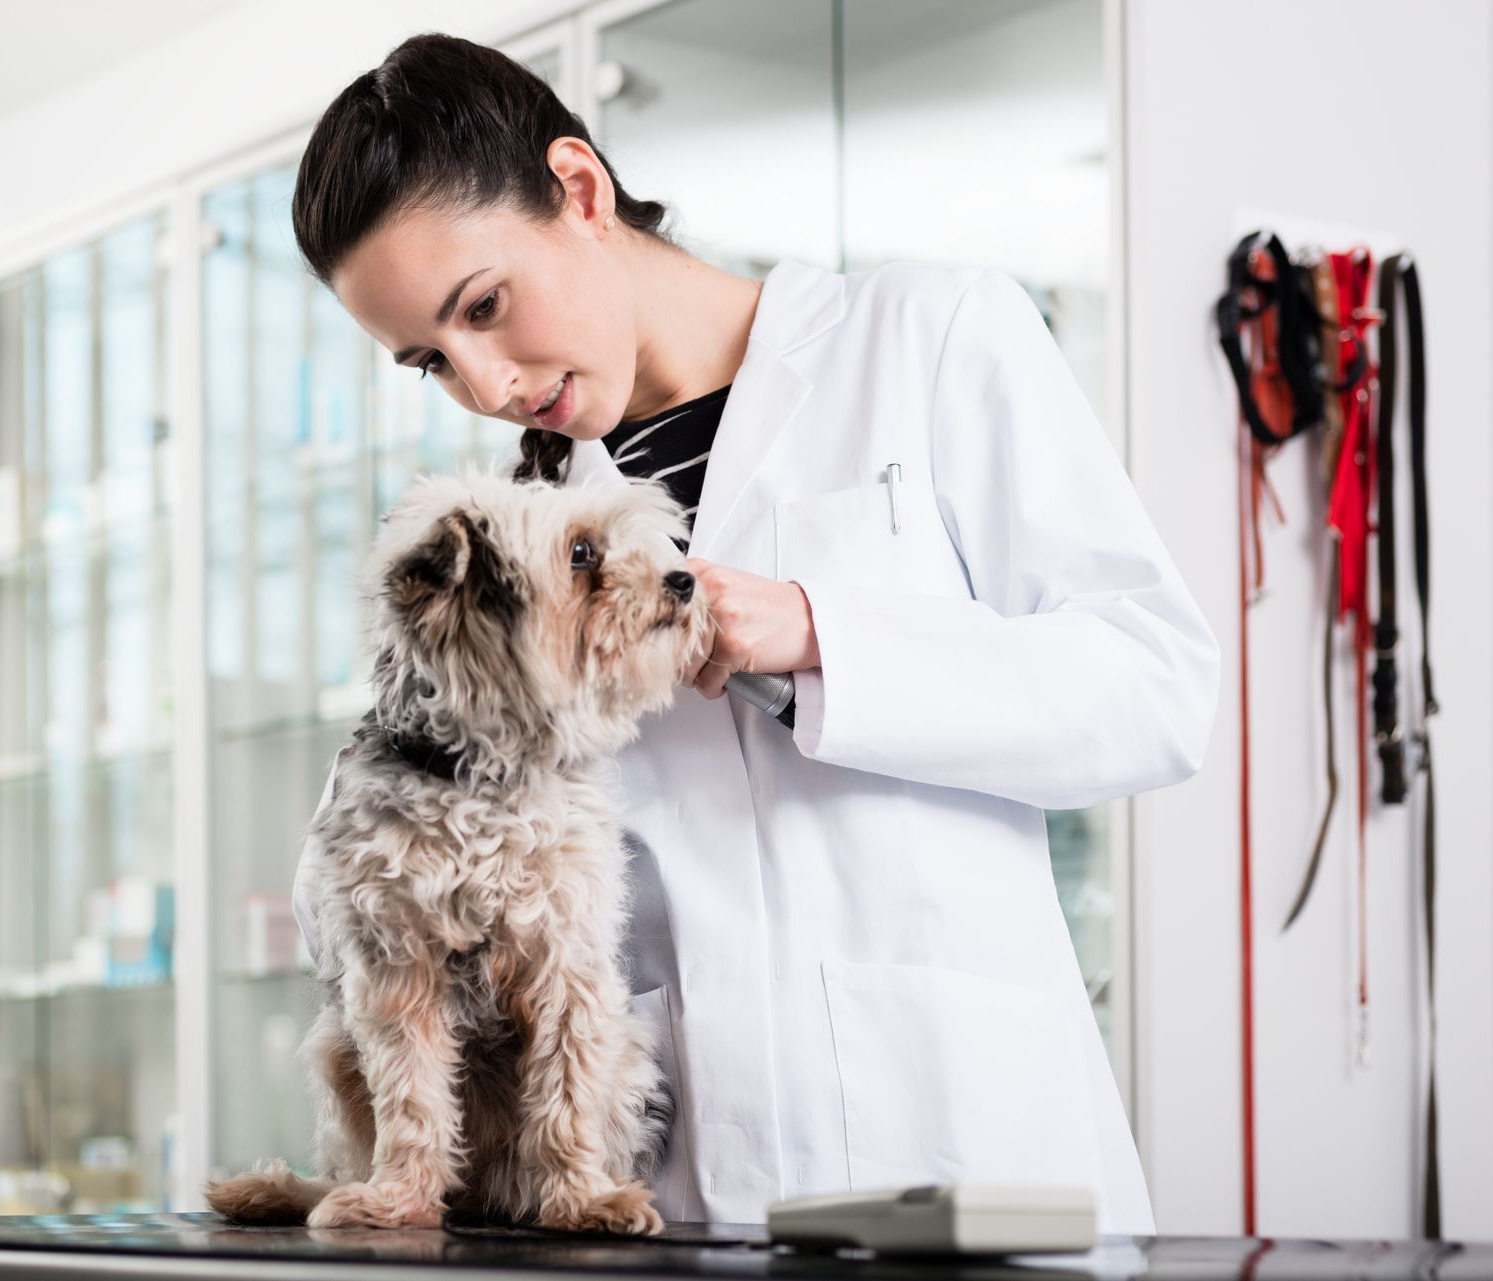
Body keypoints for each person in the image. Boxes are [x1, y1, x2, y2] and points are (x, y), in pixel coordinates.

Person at [286, 31, 1219, 1235]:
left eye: (486, 307)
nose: (487, 383)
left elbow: (1156, 686)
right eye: (432, 361)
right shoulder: (522, 550)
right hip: (668, 1189)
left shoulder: (926, 339)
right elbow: (343, 892)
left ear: (579, 189)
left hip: (953, 1131)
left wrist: (829, 635)